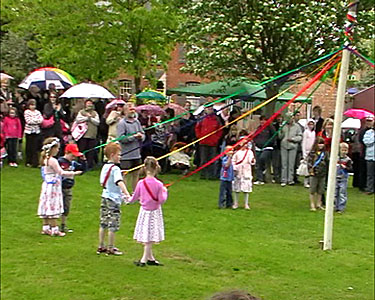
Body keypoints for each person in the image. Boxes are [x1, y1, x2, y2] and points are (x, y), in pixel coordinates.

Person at [38, 137, 82, 236]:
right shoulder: (52, 160)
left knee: (46, 204)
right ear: (52, 149)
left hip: (47, 184)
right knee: (52, 206)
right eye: (57, 148)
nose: (58, 150)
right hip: (53, 186)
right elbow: (61, 172)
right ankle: (54, 229)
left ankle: (45, 227)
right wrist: (74, 173)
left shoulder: (45, 159)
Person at [128, 157, 168, 267]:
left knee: (147, 234)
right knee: (149, 235)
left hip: (144, 212)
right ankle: (144, 259)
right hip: (154, 212)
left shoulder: (141, 183)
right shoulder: (159, 184)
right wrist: (165, 192)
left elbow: (134, 197)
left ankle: (149, 258)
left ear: (145, 168)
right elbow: (161, 199)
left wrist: (127, 198)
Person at [97, 142, 131, 255]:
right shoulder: (115, 169)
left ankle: (101, 245)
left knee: (103, 222)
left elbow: (103, 181)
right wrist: (126, 194)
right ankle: (110, 248)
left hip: (105, 196)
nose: (120, 157)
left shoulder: (105, 167)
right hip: (113, 199)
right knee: (113, 224)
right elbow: (119, 182)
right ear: (112, 155)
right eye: (118, 154)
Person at [58, 143, 87, 233]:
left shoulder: (73, 163)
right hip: (59, 188)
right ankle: (53, 225)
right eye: (72, 155)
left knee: (66, 207)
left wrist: (83, 161)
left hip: (68, 188)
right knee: (58, 206)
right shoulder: (60, 161)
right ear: (67, 152)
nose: (74, 157)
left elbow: (83, 170)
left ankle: (63, 224)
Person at [117, 106, 145, 191]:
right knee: (124, 174)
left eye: (133, 109)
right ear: (125, 111)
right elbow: (121, 138)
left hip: (136, 154)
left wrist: (141, 137)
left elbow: (143, 134)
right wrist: (134, 137)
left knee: (136, 174)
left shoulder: (137, 122)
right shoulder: (122, 123)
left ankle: (135, 193)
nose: (132, 111)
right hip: (126, 154)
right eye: (130, 109)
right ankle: (123, 194)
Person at [195, 104, 223, 179]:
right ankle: (203, 174)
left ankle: (211, 175)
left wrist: (216, 138)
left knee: (212, 159)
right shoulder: (202, 119)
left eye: (210, 109)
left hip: (213, 143)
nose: (209, 110)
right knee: (203, 159)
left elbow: (220, 130)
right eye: (208, 109)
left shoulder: (217, 119)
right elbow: (197, 128)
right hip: (203, 142)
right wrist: (200, 137)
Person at [279, 112, 302, 186]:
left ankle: (290, 180)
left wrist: (293, 139)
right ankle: (283, 180)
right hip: (284, 146)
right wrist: (281, 131)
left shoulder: (297, 127)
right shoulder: (283, 126)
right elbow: (279, 137)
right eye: (288, 118)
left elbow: (300, 137)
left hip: (293, 146)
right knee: (284, 163)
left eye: (291, 118)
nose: (290, 119)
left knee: (291, 164)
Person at [75, 99, 100, 169]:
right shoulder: (81, 112)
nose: (89, 105)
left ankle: (89, 165)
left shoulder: (95, 113)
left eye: (90, 103)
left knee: (91, 151)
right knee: (82, 150)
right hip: (83, 134)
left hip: (92, 134)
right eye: (88, 103)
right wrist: (87, 118)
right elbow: (78, 120)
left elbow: (97, 122)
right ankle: (80, 164)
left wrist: (91, 118)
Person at [232, 139, 256, 210]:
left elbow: (252, 161)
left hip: (246, 171)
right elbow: (234, 161)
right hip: (238, 171)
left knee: (246, 188)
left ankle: (246, 204)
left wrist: (252, 160)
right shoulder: (237, 152)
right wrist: (234, 168)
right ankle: (235, 203)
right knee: (237, 188)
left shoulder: (249, 152)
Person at [307, 137, 329, 211]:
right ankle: (312, 204)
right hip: (314, 174)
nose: (321, 145)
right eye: (319, 143)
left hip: (322, 174)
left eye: (322, 143)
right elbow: (309, 163)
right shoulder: (312, 153)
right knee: (312, 190)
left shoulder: (325, 153)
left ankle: (318, 203)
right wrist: (310, 171)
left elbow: (327, 162)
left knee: (321, 190)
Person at [253, 115, 275, 184]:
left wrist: (269, 143)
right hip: (258, 147)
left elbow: (274, 137)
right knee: (258, 162)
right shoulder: (259, 128)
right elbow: (255, 136)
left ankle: (264, 171)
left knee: (263, 158)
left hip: (267, 147)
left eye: (264, 120)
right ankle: (260, 179)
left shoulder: (270, 128)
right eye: (261, 120)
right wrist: (256, 142)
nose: (262, 122)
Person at [24, 99, 44, 167]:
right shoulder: (27, 112)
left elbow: (41, 120)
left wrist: (35, 121)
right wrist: (36, 121)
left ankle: (35, 162)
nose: (33, 106)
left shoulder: (37, 112)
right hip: (29, 132)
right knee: (29, 147)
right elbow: (28, 121)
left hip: (36, 131)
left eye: (34, 105)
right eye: (31, 105)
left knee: (35, 147)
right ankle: (28, 161)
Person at [335, 142, 353, 213]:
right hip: (336, 177)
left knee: (342, 193)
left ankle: (341, 207)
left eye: (345, 150)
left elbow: (350, 169)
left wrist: (345, 167)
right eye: (342, 150)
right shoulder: (336, 158)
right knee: (335, 193)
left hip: (343, 178)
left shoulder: (348, 160)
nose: (344, 152)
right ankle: (335, 206)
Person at [301, 119, 316, 188]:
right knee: (306, 168)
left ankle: (311, 181)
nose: (311, 126)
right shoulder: (306, 132)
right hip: (306, 152)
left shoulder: (314, 133)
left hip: (312, 152)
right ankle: (305, 182)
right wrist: (304, 153)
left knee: (311, 167)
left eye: (312, 124)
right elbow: (303, 143)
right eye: (309, 124)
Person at [362, 116, 374, 195]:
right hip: (370, 156)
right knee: (370, 174)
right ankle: (369, 189)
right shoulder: (369, 132)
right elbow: (366, 142)